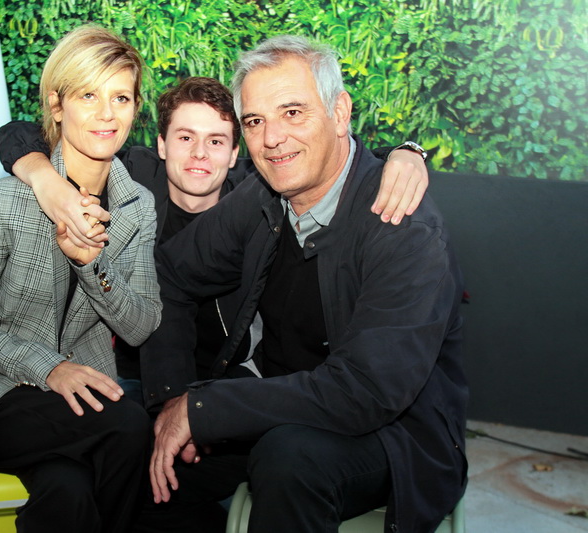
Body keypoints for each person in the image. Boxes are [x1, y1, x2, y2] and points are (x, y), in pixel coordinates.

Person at [146, 35, 467, 533]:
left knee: (290, 457)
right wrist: (172, 397)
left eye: (293, 112)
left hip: (392, 434)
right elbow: (169, 273)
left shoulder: (402, 226)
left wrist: (206, 408)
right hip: (278, 402)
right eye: (255, 121)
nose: (272, 138)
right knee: (140, 459)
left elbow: (366, 391)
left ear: (340, 113)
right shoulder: (262, 195)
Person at [0, 78, 430, 406]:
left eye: (216, 141)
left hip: (221, 384)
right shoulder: (133, 180)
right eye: (185, 138)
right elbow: (16, 133)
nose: (200, 154)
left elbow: (329, 153)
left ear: (237, 153)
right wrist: (46, 182)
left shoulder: (257, 199)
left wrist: (407, 151)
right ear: (162, 145)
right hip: (127, 375)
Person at [0, 25, 161, 533]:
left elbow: (142, 324)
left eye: (121, 97)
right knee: (127, 424)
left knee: (67, 494)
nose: (107, 113)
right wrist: (49, 367)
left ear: (135, 108)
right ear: (57, 106)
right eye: (88, 95)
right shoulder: (3, 202)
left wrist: (90, 264)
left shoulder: (137, 207)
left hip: (76, 409)